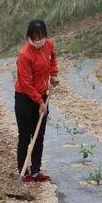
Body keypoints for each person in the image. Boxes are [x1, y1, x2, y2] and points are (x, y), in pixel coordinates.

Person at [14, 18, 58, 183]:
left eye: (41, 36)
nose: (38, 40)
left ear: (45, 35)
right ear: (29, 37)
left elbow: (52, 58)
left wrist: (53, 75)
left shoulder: (49, 45)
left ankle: (35, 170)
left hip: (42, 95)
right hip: (24, 98)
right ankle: (23, 171)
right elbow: (25, 84)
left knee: (39, 135)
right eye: (35, 37)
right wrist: (39, 102)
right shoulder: (24, 54)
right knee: (25, 136)